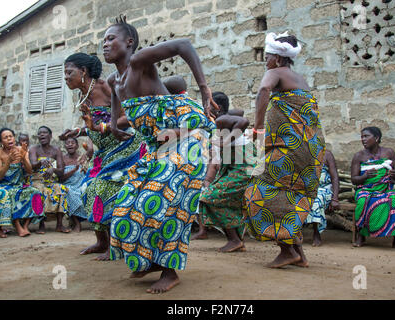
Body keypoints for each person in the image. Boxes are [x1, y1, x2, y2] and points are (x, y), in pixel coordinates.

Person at [104, 15, 216, 294]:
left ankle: (170, 271)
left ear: (129, 42)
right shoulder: (113, 79)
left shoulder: (139, 61)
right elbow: (117, 114)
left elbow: (184, 45)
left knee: (161, 200)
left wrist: (204, 88)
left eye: (110, 39)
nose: (104, 45)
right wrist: (116, 128)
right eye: (103, 40)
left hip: (189, 135)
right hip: (158, 146)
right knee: (125, 204)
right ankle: (151, 261)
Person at [243, 32, 326, 269]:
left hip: (291, 149)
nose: (265, 61)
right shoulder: (300, 78)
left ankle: (287, 251)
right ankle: (298, 254)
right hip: (312, 150)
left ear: (278, 59)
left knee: (257, 192)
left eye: (267, 56)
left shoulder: (274, 73)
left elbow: (262, 92)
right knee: (292, 196)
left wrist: (257, 127)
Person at [59, 52, 145, 260]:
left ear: (83, 71)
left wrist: (102, 126)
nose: (66, 77)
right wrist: (77, 132)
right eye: (64, 73)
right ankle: (101, 242)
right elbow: (94, 125)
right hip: (105, 153)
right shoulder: (82, 95)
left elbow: (129, 116)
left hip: (126, 146)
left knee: (105, 189)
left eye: (69, 72)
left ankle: (115, 245)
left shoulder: (104, 86)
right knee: (87, 188)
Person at [195, 91, 254, 252]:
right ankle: (236, 240)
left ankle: (235, 240)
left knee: (209, 197)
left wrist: (226, 141)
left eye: (206, 104)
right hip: (235, 165)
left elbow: (244, 121)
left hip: (243, 165)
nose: (204, 108)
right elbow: (239, 113)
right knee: (224, 200)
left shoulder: (221, 119)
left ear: (217, 107)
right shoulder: (222, 119)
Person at [351, 126, 395, 250]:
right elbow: (354, 179)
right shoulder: (359, 156)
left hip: (386, 189)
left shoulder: (389, 153)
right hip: (366, 189)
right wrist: (365, 176)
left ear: (377, 138)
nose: (363, 139)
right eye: (362, 137)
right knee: (363, 200)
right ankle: (361, 235)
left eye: (366, 136)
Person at [0, 128, 44, 237]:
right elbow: (0, 176)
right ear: (1, 142)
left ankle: (25, 226)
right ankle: (16, 226)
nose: (9, 139)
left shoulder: (21, 150)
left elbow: (29, 171)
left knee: (35, 193)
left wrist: (24, 157)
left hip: (19, 184)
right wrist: (8, 161)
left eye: (11, 136)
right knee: (6, 194)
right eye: (5, 137)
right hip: (4, 185)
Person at [29, 126, 71, 234]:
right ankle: (41, 224)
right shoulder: (34, 149)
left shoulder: (56, 150)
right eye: (40, 133)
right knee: (40, 191)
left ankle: (59, 224)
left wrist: (53, 169)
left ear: (50, 136)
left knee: (61, 189)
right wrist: (40, 163)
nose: (42, 135)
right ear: (38, 137)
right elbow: (33, 165)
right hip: (37, 181)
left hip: (51, 181)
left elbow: (61, 171)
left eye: (45, 133)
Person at [304, 149, 340, 246]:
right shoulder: (302, 153)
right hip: (307, 189)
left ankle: (316, 233)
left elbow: (335, 177)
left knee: (316, 200)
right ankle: (293, 233)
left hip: (324, 189)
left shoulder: (327, 154)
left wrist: (335, 199)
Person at [61, 137, 93, 232]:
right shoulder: (62, 159)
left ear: (77, 146)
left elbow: (89, 173)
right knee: (69, 192)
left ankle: (92, 220)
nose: (70, 144)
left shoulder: (82, 157)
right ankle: (77, 222)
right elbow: (61, 178)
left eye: (72, 143)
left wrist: (84, 169)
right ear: (65, 146)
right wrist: (73, 170)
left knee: (89, 190)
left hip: (81, 185)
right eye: (67, 143)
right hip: (69, 186)